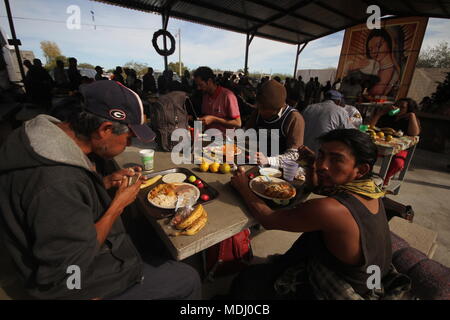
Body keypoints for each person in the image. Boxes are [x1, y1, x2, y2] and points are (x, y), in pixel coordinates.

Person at [0, 80, 201, 300]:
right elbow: (68, 267)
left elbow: (63, 207)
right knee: (188, 279)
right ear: (105, 130)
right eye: (129, 138)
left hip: (71, 255)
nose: (129, 144)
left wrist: (103, 183)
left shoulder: (41, 140)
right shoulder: (56, 182)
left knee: (150, 236)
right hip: (75, 285)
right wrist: (117, 206)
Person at [229, 129, 409, 300]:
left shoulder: (330, 209)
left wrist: (243, 186)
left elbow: (267, 219)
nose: (322, 165)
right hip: (371, 280)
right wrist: (311, 164)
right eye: (321, 155)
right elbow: (319, 187)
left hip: (343, 289)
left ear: (361, 169)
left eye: (336, 159)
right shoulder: (371, 190)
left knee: (247, 280)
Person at [245, 79, 305, 167]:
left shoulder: (293, 118)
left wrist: (268, 160)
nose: (261, 112)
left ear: (278, 108)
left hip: (279, 168)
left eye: (265, 110)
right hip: (258, 162)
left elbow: (294, 155)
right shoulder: (258, 112)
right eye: (260, 107)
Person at [369, 97, 421, 185]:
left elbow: (415, 133)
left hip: (399, 148)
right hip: (382, 143)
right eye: (397, 106)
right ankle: (367, 174)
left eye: (402, 107)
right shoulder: (387, 116)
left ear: (408, 109)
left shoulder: (409, 120)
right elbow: (370, 126)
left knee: (398, 163)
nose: (398, 108)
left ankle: (385, 179)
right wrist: (380, 113)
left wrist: (412, 116)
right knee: (365, 153)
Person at [346, 28, 402, 97]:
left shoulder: (397, 73)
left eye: (378, 46)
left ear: (389, 42)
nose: (374, 51)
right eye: (370, 49)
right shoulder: (369, 67)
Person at [193, 66, 241, 134]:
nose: (198, 88)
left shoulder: (228, 96)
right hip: (208, 138)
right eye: (197, 85)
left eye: (201, 85)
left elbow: (238, 123)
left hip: (225, 140)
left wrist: (214, 119)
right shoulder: (205, 96)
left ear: (209, 81)